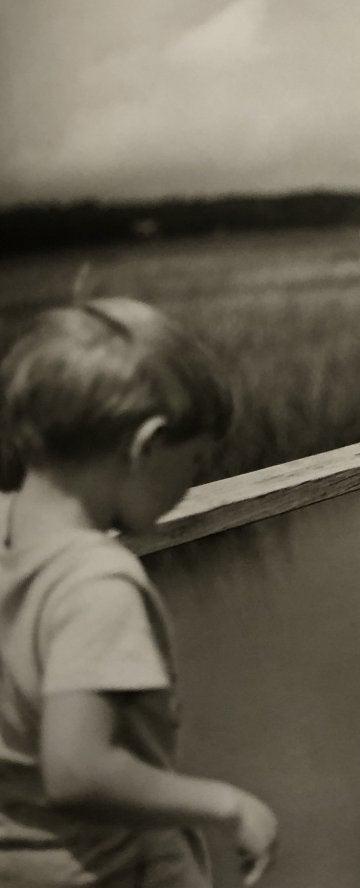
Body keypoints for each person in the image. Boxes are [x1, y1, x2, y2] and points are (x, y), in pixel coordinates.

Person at [0, 298, 278, 888]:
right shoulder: (95, 584)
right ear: (147, 445)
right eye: (195, 463)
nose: (192, 483)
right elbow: (79, 771)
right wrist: (226, 805)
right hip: (110, 867)